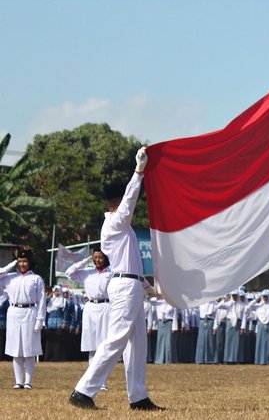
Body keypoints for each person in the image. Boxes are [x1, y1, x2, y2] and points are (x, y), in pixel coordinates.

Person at [69, 147, 162, 411]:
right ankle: (83, 390)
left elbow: (130, 264)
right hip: (123, 285)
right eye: (123, 200)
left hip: (131, 283)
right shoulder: (114, 223)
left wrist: (148, 287)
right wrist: (138, 172)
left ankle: (138, 396)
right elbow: (130, 201)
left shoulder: (123, 227)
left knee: (137, 344)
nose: (127, 204)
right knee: (117, 340)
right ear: (115, 203)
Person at [0, 249, 46, 390]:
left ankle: (28, 382)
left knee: (29, 349)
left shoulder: (36, 279)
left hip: (30, 312)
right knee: (16, 349)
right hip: (14, 312)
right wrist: (12, 263)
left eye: (24, 261)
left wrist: (40, 320)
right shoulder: (9, 277)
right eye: (19, 261)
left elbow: (42, 301)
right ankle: (18, 381)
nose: (22, 264)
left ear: (30, 262)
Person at [66, 248, 111, 387]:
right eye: (94, 257)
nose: (97, 260)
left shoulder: (111, 272)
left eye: (100, 257)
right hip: (90, 308)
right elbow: (69, 273)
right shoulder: (87, 273)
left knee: (103, 345)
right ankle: (92, 380)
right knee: (91, 346)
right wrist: (84, 261)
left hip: (106, 307)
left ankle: (102, 381)